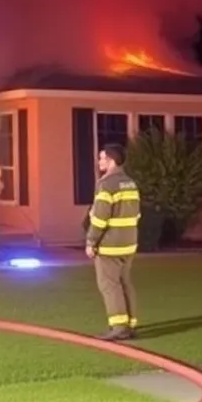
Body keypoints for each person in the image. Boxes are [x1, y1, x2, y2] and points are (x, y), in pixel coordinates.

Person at [86, 143, 141, 340]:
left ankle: (118, 327)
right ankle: (131, 324)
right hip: (129, 243)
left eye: (102, 158)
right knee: (125, 282)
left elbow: (101, 218)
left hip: (110, 244)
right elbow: (136, 213)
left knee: (109, 285)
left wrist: (91, 241)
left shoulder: (106, 184)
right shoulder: (130, 183)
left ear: (111, 160)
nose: (99, 161)